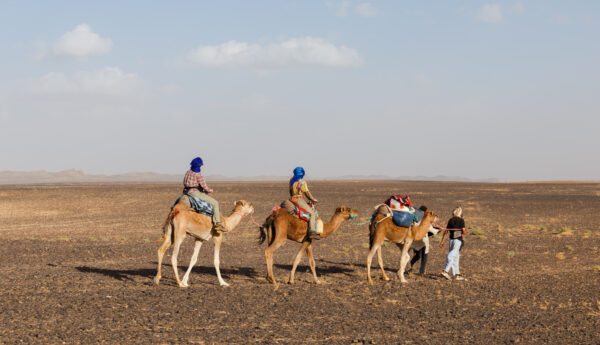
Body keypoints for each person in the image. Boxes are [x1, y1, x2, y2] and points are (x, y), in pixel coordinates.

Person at [183, 157, 225, 232]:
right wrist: (209, 190)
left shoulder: (188, 172)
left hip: (186, 192)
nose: (202, 166)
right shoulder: (198, 175)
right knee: (215, 203)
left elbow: (184, 182)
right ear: (199, 165)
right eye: (202, 165)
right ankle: (217, 223)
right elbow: (205, 187)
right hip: (194, 193)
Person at [288, 166, 319, 238]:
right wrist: (313, 199)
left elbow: (290, 191)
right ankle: (312, 232)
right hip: (299, 199)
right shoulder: (302, 182)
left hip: (291, 199)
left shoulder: (291, 180)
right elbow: (307, 193)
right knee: (312, 213)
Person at [406, 205, 436, 275]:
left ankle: (411, 266)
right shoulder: (424, 220)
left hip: (416, 241)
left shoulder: (415, 219)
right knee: (424, 257)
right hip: (423, 241)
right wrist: (438, 230)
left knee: (418, 255)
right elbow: (431, 230)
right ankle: (421, 271)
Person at [440, 206, 466, 280]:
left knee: (456, 257)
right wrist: (463, 234)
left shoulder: (450, 220)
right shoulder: (461, 220)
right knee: (451, 255)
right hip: (458, 240)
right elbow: (464, 231)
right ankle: (445, 271)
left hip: (451, 240)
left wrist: (442, 241)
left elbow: (446, 231)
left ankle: (456, 274)